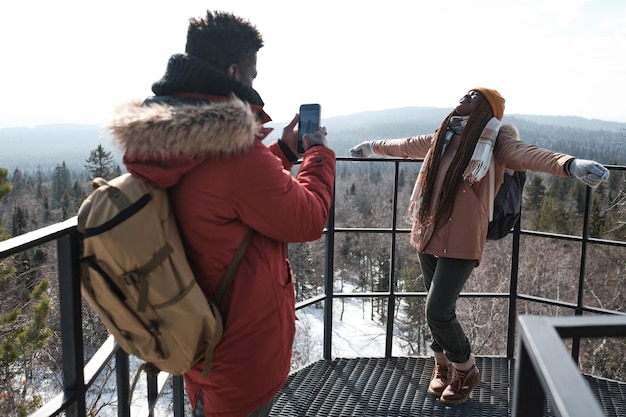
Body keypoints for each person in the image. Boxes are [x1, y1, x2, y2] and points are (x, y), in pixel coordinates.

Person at [107, 10, 336, 417]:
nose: (254, 84)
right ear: (233, 71)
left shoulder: (175, 138)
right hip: (242, 354)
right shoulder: (235, 154)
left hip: (199, 339)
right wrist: (316, 154)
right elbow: (308, 218)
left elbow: (219, 194)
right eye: (252, 75)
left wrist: (280, 155)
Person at [349, 87, 609, 405]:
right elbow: (403, 145)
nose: (465, 96)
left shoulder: (496, 142)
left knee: (437, 310)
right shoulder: (442, 136)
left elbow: (531, 155)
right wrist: (371, 148)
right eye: (466, 92)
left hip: (462, 238)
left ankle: (466, 369)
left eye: (474, 95)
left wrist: (571, 165)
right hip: (427, 232)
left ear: (487, 108)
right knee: (437, 307)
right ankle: (442, 367)